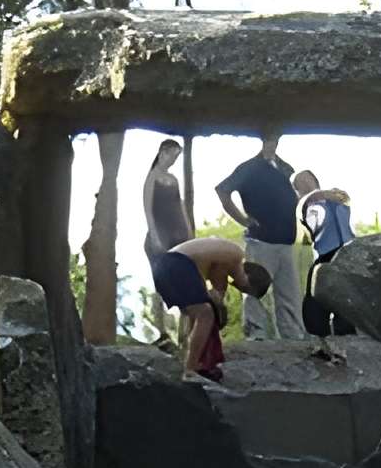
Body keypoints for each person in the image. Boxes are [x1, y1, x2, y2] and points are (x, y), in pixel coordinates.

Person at [215, 129, 306, 343]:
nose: (271, 144)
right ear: (262, 141)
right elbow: (222, 190)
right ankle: (256, 335)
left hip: (286, 240)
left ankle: (293, 336)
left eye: (275, 140)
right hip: (261, 240)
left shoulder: (285, 168)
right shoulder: (249, 168)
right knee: (255, 288)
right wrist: (243, 219)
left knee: (289, 293)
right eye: (268, 140)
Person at [149, 232, 267, 382]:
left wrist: (219, 305)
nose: (240, 288)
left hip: (164, 266)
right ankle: (190, 369)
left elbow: (216, 291)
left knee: (198, 313)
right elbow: (219, 292)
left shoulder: (224, 259)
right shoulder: (236, 254)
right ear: (250, 279)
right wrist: (219, 306)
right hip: (177, 264)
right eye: (246, 290)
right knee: (205, 313)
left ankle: (192, 359)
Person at [298, 172, 356, 360]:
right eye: (299, 183)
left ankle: (342, 341)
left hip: (346, 250)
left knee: (345, 296)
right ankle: (320, 341)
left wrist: (326, 195)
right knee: (315, 296)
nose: (304, 184)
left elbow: (343, 197)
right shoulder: (304, 205)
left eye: (307, 180)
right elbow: (306, 209)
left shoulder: (336, 197)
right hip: (325, 252)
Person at [140, 137, 192, 254]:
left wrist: (189, 230)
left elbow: (181, 205)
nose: (173, 160)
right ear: (163, 153)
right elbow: (147, 209)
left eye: (176, 158)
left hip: (180, 233)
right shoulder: (152, 177)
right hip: (161, 234)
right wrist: (154, 236)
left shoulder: (174, 179)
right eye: (172, 156)